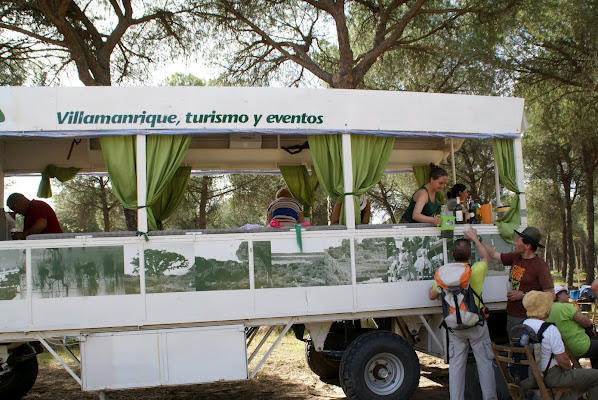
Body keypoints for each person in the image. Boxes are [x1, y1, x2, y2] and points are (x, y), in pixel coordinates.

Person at [429, 228, 497, 400]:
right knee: (484, 364)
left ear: (452, 254)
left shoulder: (444, 275)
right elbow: (485, 257)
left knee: (456, 366)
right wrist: (474, 238)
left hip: (454, 327)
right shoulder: (476, 270)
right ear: (469, 255)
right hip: (476, 324)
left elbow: (431, 295)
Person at [481, 226, 554, 340]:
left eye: (518, 240)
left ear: (527, 246)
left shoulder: (540, 266)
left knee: (528, 352)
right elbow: (495, 254)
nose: (514, 243)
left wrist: (523, 295)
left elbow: (550, 295)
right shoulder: (516, 257)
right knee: (515, 350)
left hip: (530, 318)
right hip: (512, 315)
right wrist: (477, 239)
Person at [522, 290, 598, 399]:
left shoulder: (523, 325)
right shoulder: (549, 329)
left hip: (529, 376)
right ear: (544, 308)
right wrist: (571, 369)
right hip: (550, 376)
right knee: (595, 376)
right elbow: (563, 361)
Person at [547, 285, 598, 368]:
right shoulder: (565, 307)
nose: (568, 296)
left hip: (562, 350)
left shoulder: (546, 309)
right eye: (566, 293)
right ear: (558, 295)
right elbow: (586, 322)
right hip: (579, 346)